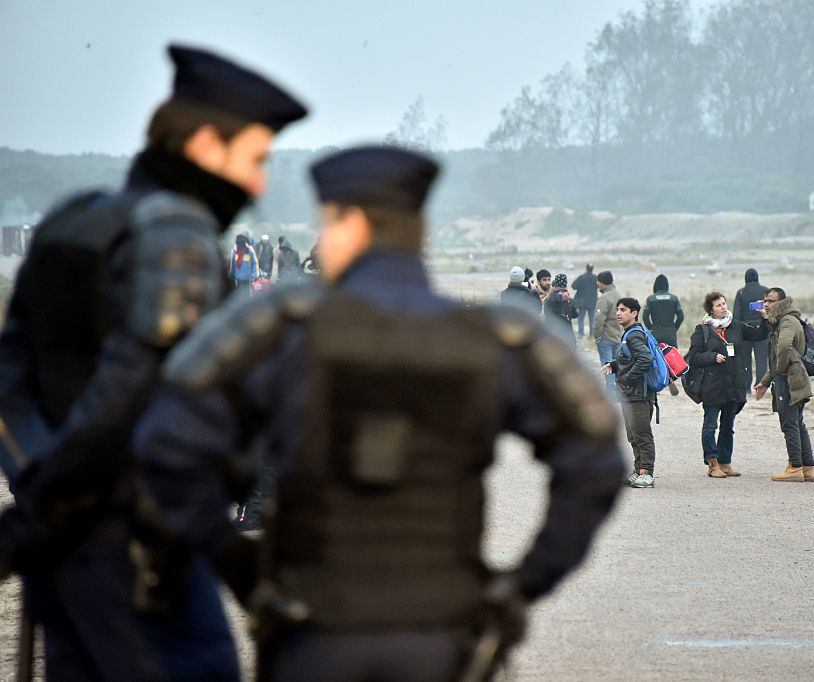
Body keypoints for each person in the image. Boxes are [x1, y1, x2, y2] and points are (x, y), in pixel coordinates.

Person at [134, 145, 624, 680]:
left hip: (312, 632)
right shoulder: (497, 339)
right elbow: (595, 460)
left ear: (350, 222)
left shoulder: (281, 328)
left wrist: (241, 570)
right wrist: (523, 585)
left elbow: (167, 446)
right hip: (443, 634)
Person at [0, 44, 306, 680]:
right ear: (203, 146)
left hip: (60, 549)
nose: (258, 183)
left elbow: (12, 383)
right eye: (254, 159)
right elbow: (134, 396)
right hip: (144, 546)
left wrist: (35, 489)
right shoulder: (179, 233)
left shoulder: (72, 217)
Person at [686, 291, 767, 478]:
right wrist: (712, 357)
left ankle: (725, 462)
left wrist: (763, 316)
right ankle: (712, 463)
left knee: (728, 426)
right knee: (710, 425)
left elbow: (759, 334)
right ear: (711, 310)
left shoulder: (736, 326)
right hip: (712, 385)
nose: (723, 307)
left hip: (734, 384)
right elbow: (693, 357)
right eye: (718, 305)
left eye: (724, 303)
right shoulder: (703, 330)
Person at [754, 288, 814, 482]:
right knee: (797, 422)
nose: (766, 304)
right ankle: (808, 468)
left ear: (782, 303)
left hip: (789, 379)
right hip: (791, 377)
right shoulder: (779, 321)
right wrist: (765, 382)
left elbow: (783, 347)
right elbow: (775, 355)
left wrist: (780, 370)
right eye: (765, 301)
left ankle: (795, 467)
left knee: (789, 423)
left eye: (771, 301)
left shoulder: (787, 321)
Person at [601, 298, 656, 488]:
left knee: (642, 434)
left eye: (623, 310)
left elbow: (645, 359)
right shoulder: (629, 334)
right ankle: (638, 470)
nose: (618, 313)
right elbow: (630, 359)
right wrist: (615, 365)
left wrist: (626, 379)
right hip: (630, 394)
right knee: (633, 435)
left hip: (639, 394)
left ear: (634, 313)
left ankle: (647, 473)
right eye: (617, 309)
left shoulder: (634, 335)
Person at [643, 274, 685, 396]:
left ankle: (657, 383)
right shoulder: (674, 298)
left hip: (656, 332)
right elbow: (681, 317)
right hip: (670, 332)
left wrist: (651, 328)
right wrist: (674, 328)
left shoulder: (650, 299)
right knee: (672, 357)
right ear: (667, 286)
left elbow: (645, 317)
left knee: (656, 358)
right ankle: (671, 379)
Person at [733, 267, 769, 393]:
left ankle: (747, 387)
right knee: (761, 360)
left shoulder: (741, 293)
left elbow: (736, 315)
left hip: (745, 332)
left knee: (745, 361)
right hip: (762, 331)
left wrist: (736, 332)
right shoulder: (765, 291)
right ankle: (760, 385)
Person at [592, 271, 621, 393]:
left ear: (601, 283)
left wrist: (597, 336)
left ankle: (610, 392)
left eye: (598, 282)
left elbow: (599, 320)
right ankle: (618, 391)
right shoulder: (617, 295)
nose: (597, 284)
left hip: (606, 337)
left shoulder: (604, 298)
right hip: (617, 335)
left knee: (607, 366)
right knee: (617, 365)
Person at [543, 273, 578, 346]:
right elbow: (575, 314)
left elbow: (546, 314)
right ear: (565, 284)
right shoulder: (568, 299)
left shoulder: (549, 298)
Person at [572, 263, 598, 338]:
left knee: (581, 319)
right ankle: (591, 335)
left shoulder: (581, 277)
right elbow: (599, 287)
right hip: (592, 302)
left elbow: (573, 286)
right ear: (593, 269)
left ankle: (581, 335)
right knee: (592, 319)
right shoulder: (595, 278)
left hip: (582, 302)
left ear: (586, 268)